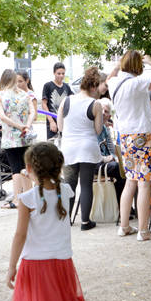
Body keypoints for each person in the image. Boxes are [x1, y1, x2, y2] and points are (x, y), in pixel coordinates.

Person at [7, 143, 85, 301]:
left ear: (29, 168)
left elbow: (20, 235)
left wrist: (12, 265)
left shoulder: (27, 198)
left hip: (34, 262)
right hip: (61, 261)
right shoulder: (67, 191)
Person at [108, 50, 151, 241]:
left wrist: (117, 66)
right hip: (143, 136)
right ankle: (143, 230)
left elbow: (110, 76)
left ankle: (124, 226)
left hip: (125, 137)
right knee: (144, 184)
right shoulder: (138, 82)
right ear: (138, 66)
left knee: (130, 181)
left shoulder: (113, 83)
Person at [58, 67, 103, 231]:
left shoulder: (66, 100)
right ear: (93, 86)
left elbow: (60, 126)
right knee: (85, 185)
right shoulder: (95, 104)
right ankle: (85, 222)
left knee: (69, 184)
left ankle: (67, 220)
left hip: (68, 147)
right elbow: (98, 130)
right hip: (87, 147)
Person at [0, 69, 35, 209]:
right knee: (26, 167)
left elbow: (2, 116)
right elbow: (32, 112)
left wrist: (18, 126)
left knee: (16, 169)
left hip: (10, 137)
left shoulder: (1, 95)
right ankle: (30, 198)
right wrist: (26, 126)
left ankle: (17, 199)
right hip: (26, 136)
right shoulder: (24, 94)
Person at [97, 98, 126, 203]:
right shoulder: (92, 127)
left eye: (106, 111)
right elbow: (92, 153)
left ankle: (122, 204)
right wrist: (107, 159)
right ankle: (119, 205)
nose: (104, 114)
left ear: (109, 116)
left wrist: (115, 157)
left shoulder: (105, 129)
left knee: (124, 167)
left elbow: (111, 149)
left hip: (106, 162)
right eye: (102, 110)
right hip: (95, 163)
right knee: (118, 168)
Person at [41, 63, 73, 142]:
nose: (61, 76)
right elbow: (44, 104)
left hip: (65, 123)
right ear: (54, 73)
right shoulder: (48, 86)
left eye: (63, 73)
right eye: (59, 73)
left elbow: (72, 101)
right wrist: (51, 121)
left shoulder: (67, 87)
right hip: (52, 122)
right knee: (52, 148)